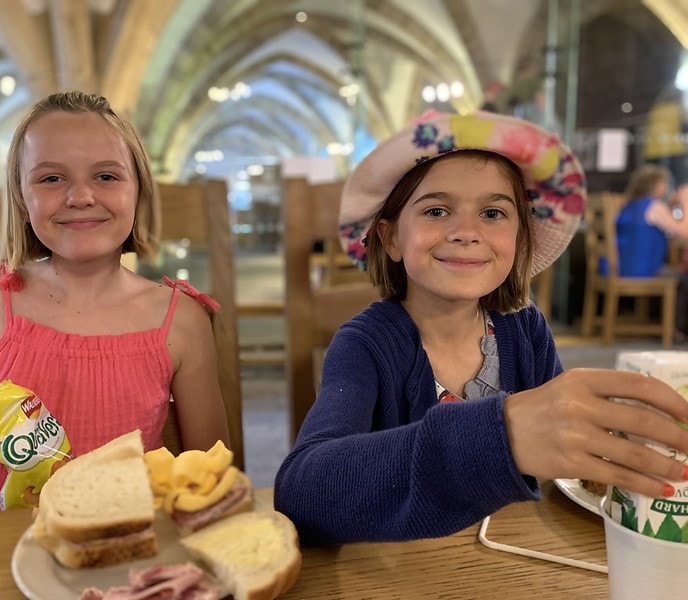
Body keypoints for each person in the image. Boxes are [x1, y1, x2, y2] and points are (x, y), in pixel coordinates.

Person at [273, 110, 688, 546]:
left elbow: (558, 461)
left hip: (515, 558)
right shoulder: (365, 345)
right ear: (391, 237)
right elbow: (302, 492)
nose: (466, 231)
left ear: (520, 239)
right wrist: (501, 434)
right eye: (436, 210)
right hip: (405, 569)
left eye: (492, 213)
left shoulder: (525, 331)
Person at [0, 91, 230, 515]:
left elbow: (212, 480)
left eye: (107, 176)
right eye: (51, 178)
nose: (80, 196)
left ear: (139, 189)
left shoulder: (182, 321)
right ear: (21, 196)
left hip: (118, 550)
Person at [614, 163, 688, 341]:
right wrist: (685, 202)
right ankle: (676, 330)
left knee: (675, 273)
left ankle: (663, 323)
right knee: (683, 278)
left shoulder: (629, 205)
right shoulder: (654, 206)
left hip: (620, 267)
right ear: (656, 185)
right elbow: (684, 232)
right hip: (643, 269)